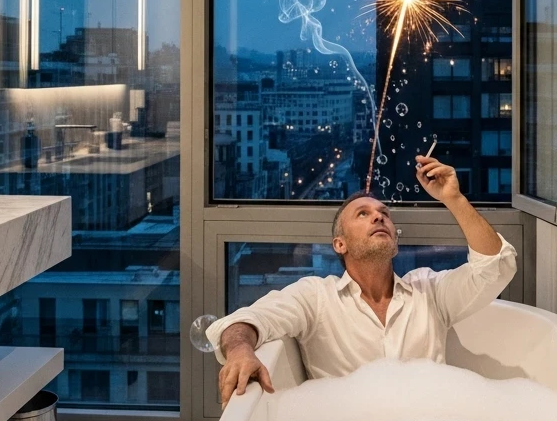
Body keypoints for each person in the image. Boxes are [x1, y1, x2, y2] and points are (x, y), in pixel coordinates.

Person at [207, 153, 517, 407]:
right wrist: (240, 351)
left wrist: (454, 198)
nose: (379, 216)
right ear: (339, 244)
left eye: (384, 213)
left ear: (395, 239)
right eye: (363, 214)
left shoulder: (430, 292)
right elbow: (245, 321)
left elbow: (495, 268)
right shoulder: (317, 298)